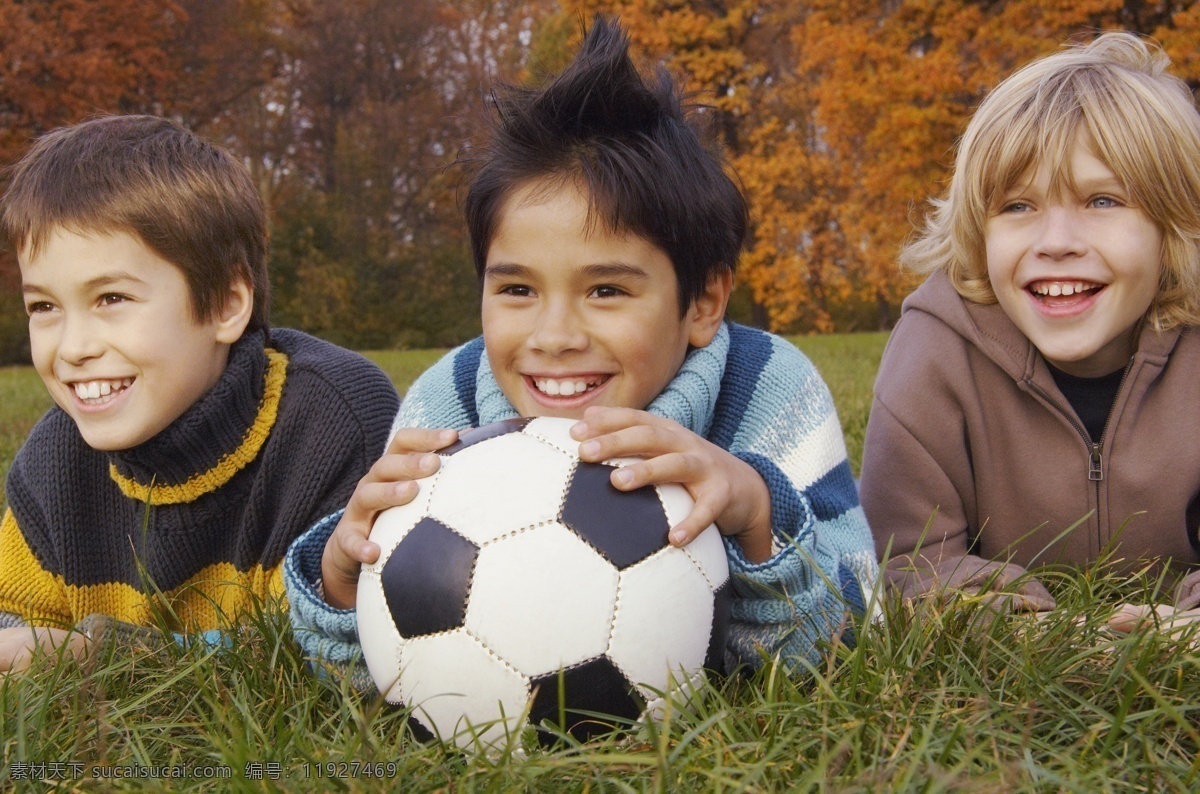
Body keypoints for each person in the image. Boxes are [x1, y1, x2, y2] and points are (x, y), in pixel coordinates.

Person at [284, 18, 878, 684]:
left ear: (704, 302)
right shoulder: (443, 408)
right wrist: (342, 583)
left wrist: (757, 516)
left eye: (605, 290)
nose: (554, 335)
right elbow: (374, 675)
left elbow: (853, 636)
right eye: (516, 289)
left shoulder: (770, 389)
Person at [0, 115, 400, 672]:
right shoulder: (52, 465)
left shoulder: (336, 424)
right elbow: (13, 625)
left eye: (111, 299)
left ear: (225, 305)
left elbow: (329, 653)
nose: (71, 348)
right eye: (44, 307)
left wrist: (95, 658)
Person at [859, 32, 1200, 633]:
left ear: (1173, 226)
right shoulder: (934, 354)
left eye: (1102, 200)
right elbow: (906, 563)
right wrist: (1032, 626)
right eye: (1018, 206)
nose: (1055, 241)